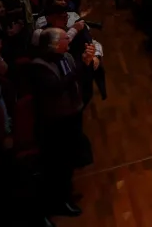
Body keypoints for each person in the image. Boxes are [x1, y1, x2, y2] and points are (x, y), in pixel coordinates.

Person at [31, 27, 93, 218]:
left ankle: (65, 194)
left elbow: (79, 78)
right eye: (66, 37)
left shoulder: (67, 58)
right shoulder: (39, 65)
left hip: (73, 113)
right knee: (57, 162)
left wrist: (86, 64)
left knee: (69, 159)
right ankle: (58, 201)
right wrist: (80, 65)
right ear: (54, 44)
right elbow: (57, 87)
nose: (69, 39)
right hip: (55, 121)